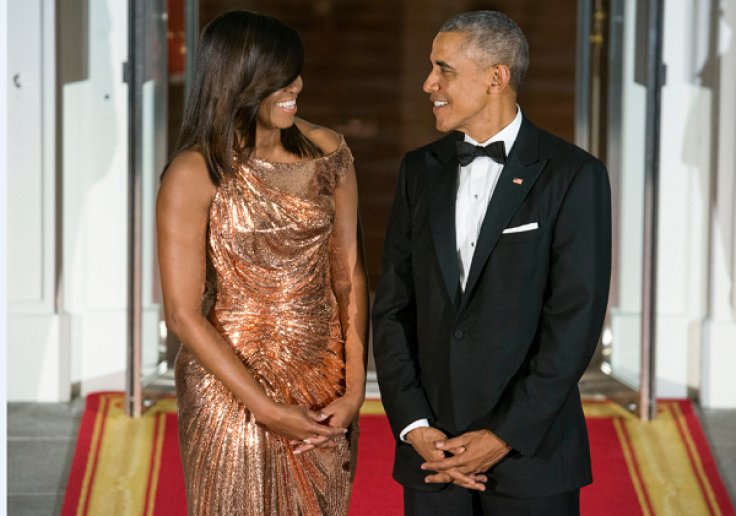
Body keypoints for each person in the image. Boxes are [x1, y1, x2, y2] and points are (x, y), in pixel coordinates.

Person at [372, 11, 611, 516]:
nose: (428, 83)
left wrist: (504, 434)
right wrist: (415, 426)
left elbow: (574, 323)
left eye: (444, 70)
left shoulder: (574, 175)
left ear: (496, 77)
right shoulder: (419, 170)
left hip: (534, 455)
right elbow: (393, 307)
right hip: (432, 456)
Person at [156, 11, 369, 516]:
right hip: (230, 383)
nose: (296, 85)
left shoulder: (329, 152)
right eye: (280, 78)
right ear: (240, 81)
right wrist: (266, 408)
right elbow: (183, 314)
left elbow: (349, 274)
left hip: (324, 376)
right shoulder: (195, 172)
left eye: (295, 73)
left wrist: (357, 388)